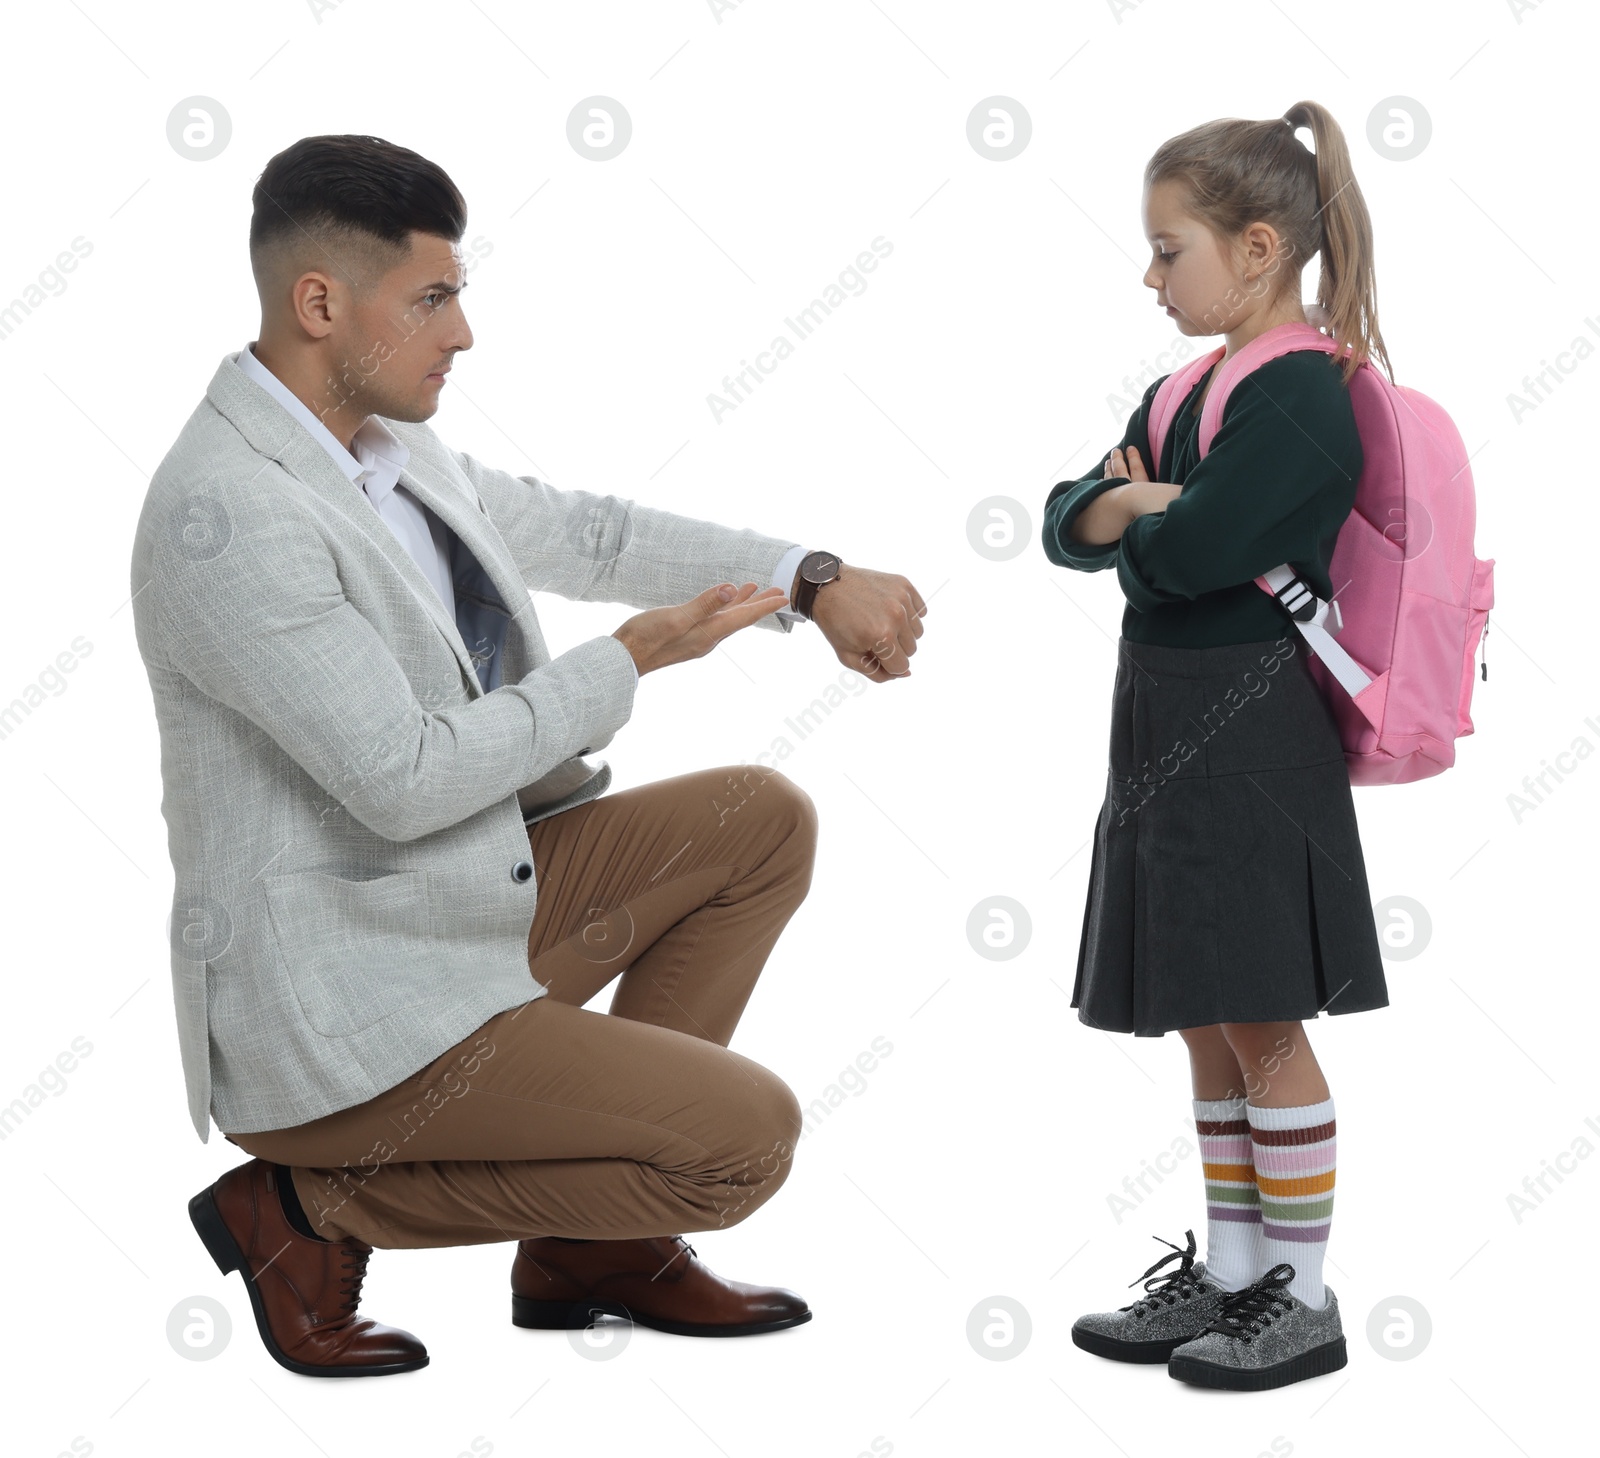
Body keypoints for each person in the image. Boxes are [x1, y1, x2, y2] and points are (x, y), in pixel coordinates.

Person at [129, 133, 926, 1377]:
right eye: (434, 298)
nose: (462, 334)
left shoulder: (383, 447)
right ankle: (298, 1209)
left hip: (449, 914)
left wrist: (804, 581)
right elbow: (400, 780)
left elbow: (585, 534)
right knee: (741, 1145)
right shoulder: (228, 513)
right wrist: (625, 665)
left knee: (756, 818)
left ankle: (590, 1252)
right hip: (345, 1001)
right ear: (321, 303)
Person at [1040, 101, 1393, 1392]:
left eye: (1167, 248)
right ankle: (1236, 1275)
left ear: (1255, 248)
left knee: (1262, 1012)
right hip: (1165, 712)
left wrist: (1142, 512)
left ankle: (1301, 1291)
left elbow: (1185, 554)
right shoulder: (1186, 387)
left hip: (1251, 717)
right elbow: (1062, 519)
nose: (1149, 275)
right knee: (1205, 1013)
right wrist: (1141, 505)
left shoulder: (1306, 392)